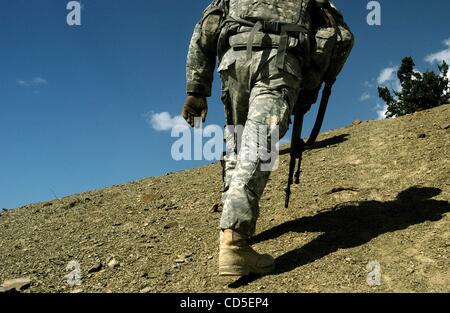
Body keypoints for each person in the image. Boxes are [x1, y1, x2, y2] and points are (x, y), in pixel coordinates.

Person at [181, 0, 352, 276]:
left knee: (238, 144)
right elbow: (341, 38)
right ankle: (234, 241)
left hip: (234, 62)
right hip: (282, 62)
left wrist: (196, 89)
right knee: (259, 143)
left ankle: (230, 226)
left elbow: (206, 29)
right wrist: (311, 85)